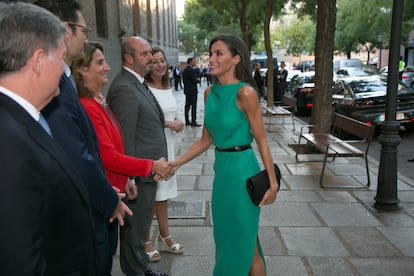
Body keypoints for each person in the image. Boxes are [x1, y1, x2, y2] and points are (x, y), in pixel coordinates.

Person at [35, 1, 133, 275]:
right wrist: (107, 198)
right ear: (66, 31)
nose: (87, 37)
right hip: (79, 212)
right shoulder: (54, 86)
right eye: (84, 30)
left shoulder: (64, 82)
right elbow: (77, 154)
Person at [170, 34, 279, 276]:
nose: (211, 58)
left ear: (236, 58)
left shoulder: (246, 94)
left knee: (244, 242)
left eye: (219, 53)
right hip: (223, 174)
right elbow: (206, 140)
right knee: (229, 237)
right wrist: (176, 163)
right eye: (211, 53)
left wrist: (272, 184)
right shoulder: (210, 93)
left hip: (243, 172)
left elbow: (262, 141)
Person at [0, 2, 96, 275]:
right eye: (62, 56)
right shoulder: (9, 144)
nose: (66, 68)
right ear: (39, 60)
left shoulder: (23, 118)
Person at [71, 42, 174, 273]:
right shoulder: (90, 105)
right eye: (100, 63)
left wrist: (127, 178)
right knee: (108, 253)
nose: (107, 67)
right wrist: (148, 167)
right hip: (106, 192)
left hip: (117, 188)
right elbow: (110, 155)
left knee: (112, 249)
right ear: (82, 70)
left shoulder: (99, 100)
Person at [107, 36, 169, 276]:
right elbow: (125, 139)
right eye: (144, 54)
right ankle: (135, 271)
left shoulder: (138, 82)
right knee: (134, 229)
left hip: (147, 172)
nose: (151, 58)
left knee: (141, 225)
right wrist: (129, 177)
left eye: (149, 53)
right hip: (138, 175)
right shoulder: (124, 88)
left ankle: (140, 267)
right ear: (128, 59)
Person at [144, 47, 185, 262]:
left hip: (169, 147)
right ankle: (145, 239)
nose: (160, 64)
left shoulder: (167, 87)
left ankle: (164, 236)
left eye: (162, 60)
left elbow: (171, 112)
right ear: (148, 65)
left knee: (164, 195)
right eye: (155, 61)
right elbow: (146, 118)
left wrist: (178, 121)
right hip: (153, 149)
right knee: (153, 196)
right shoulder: (145, 89)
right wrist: (168, 123)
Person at [183, 57, 201, 126]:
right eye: (194, 61)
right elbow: (194, 80)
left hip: (187, 90)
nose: (195, 62)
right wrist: (198, 80)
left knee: (187, 106)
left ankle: (187, 121)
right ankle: (193, 121)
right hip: (192, 91)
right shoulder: (191, 70)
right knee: (193, 106)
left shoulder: (185, 70)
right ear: (190, 62)